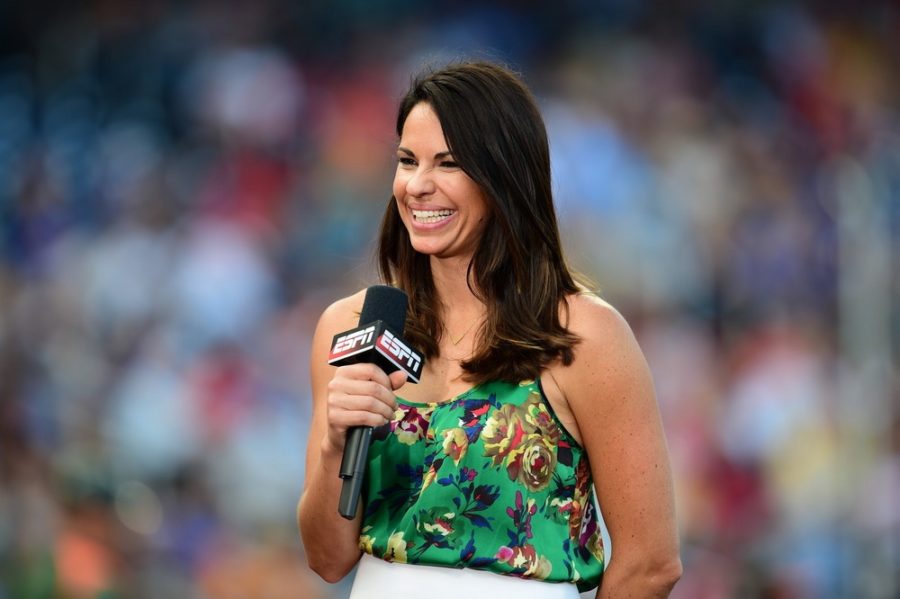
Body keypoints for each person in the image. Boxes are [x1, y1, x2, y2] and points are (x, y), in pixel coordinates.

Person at [297, 61, 681, 598]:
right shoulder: (352, 326)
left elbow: (650, 563)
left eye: (448, 164)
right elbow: (327, 558)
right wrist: (336, 444)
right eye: (407, 161)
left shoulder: (584, 336)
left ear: (504, 176)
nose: (418, 186)